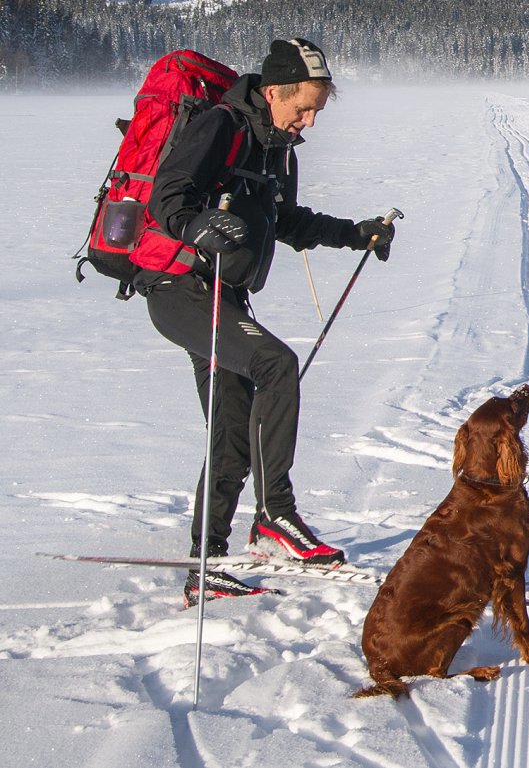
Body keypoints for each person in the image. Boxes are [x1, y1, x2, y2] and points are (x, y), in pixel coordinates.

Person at [139, 38, 396, 605]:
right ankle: (275, 518)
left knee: (231, 432)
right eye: (303, 107)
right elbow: (168, 196)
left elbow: (288, 221)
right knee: (275, 364)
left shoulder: (278, 148)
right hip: (180, 288)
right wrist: (196, 225)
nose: (308, 121)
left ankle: (206, 564)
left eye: (316, 112)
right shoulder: (221, 125)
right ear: (274, 90)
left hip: (223, 296)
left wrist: (356, 233)